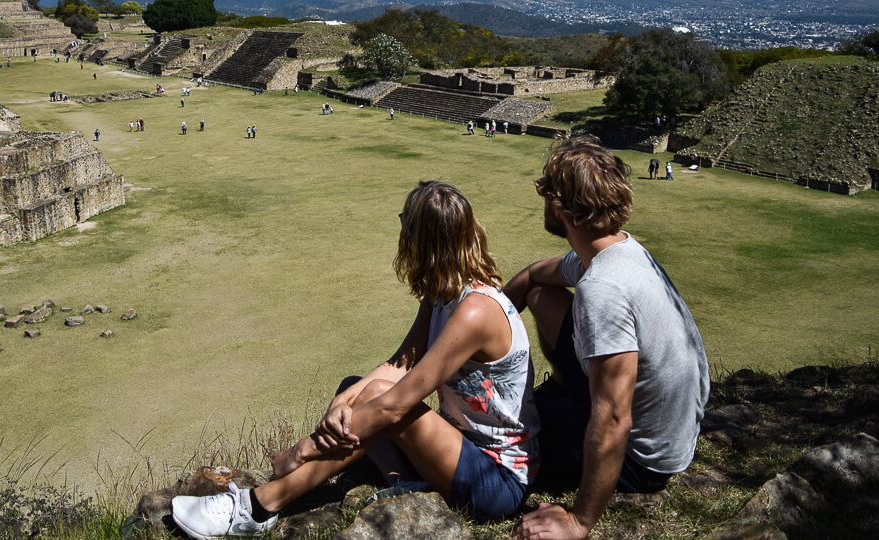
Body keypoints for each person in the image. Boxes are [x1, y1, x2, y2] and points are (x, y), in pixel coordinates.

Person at [171, 181, 541, 538]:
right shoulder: (443, 293)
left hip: (497, 480)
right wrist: (340, 404)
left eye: (404, 224)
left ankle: (258, 507)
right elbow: (401, 363)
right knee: (356, 388)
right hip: (460, 450)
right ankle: (405, 485)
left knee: (377, 397)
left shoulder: (476, 311)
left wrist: (304, 449)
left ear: (422, 239)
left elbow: (395, 404)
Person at [505, 136, 709, 540]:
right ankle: (566, 391)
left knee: (511, 438)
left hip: (642, 459)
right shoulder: (620, 250)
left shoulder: (602, 287)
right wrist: (487, 326)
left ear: (560, 208)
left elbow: (614, 416)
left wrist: (579, 521)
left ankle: (563, 414)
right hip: (674, 431)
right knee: (542, 296)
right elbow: (533, 277)